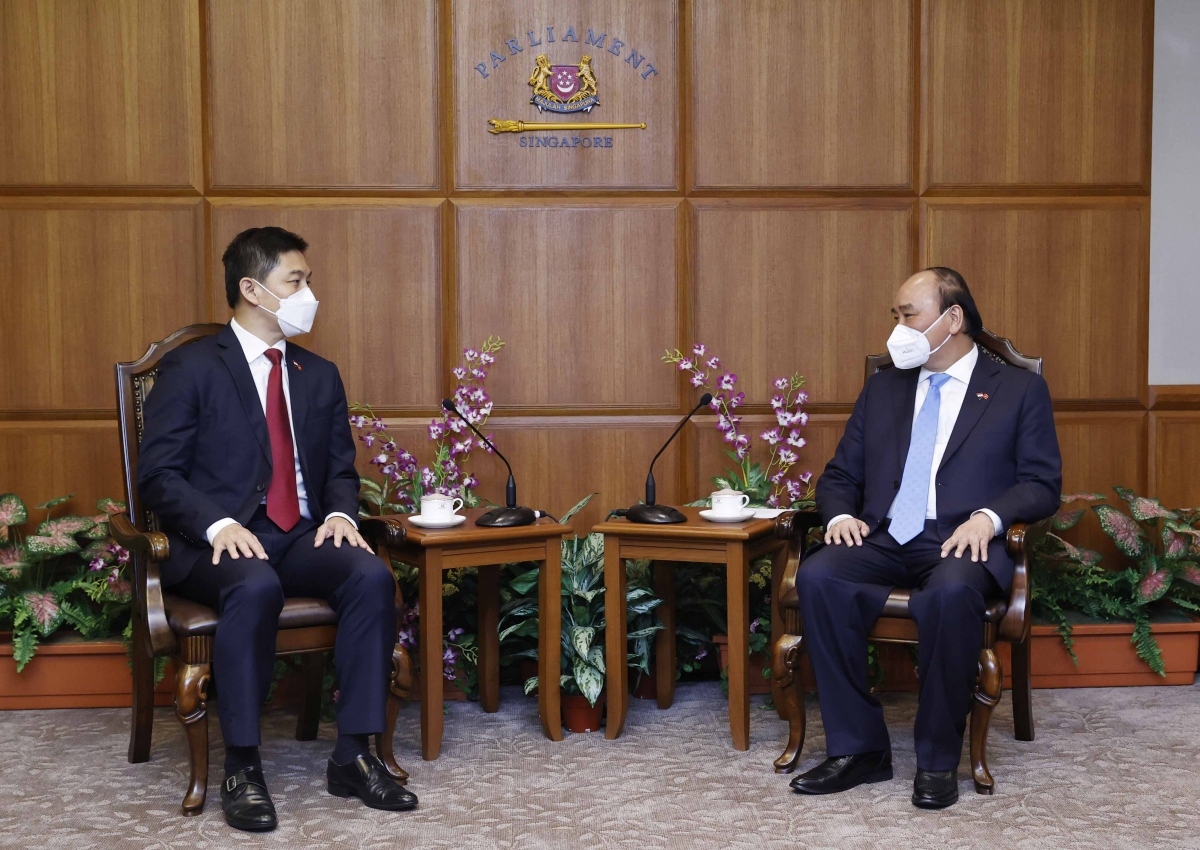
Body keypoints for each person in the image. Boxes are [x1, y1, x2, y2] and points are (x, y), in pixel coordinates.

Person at [138, 227, 417, 831]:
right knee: (254, 585)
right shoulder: (190, 370)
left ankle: (354, 755)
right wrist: (215, 524)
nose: (308, 292)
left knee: (369, 575)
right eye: (296, 281)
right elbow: (157, 476)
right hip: (215, 543)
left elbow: (340, 468)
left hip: (298, 535)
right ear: (252, 290)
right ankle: (242, 766)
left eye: (307, 280)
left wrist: (342, 513)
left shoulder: (319, 374)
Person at [788, 267, 1061, 809]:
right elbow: (840, 475)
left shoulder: (1017, 389)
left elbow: (1042, 483)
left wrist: (989, 517)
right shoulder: (884, 386)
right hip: (887, 534)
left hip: (961, 540)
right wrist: (839, 515)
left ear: (952, 318)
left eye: (909, 315)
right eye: (896, 316)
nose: (899, 328)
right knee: (819, 575)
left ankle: (938, 760)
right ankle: (859, 749)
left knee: (951, 593)